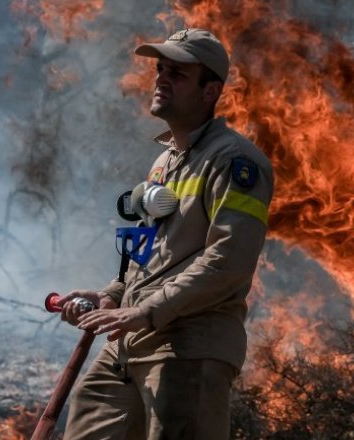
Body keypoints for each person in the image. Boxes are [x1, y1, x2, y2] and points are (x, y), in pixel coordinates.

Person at [56, 28, 274, 439]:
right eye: (160, 69)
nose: (160, 79)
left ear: (210, 91)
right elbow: (147, 252)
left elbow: (228, 261)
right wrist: (110, 296)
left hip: (188, 348)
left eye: (177, 73)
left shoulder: (236, 162)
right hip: (130, 341)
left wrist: (144, 311)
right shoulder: (163, 163)